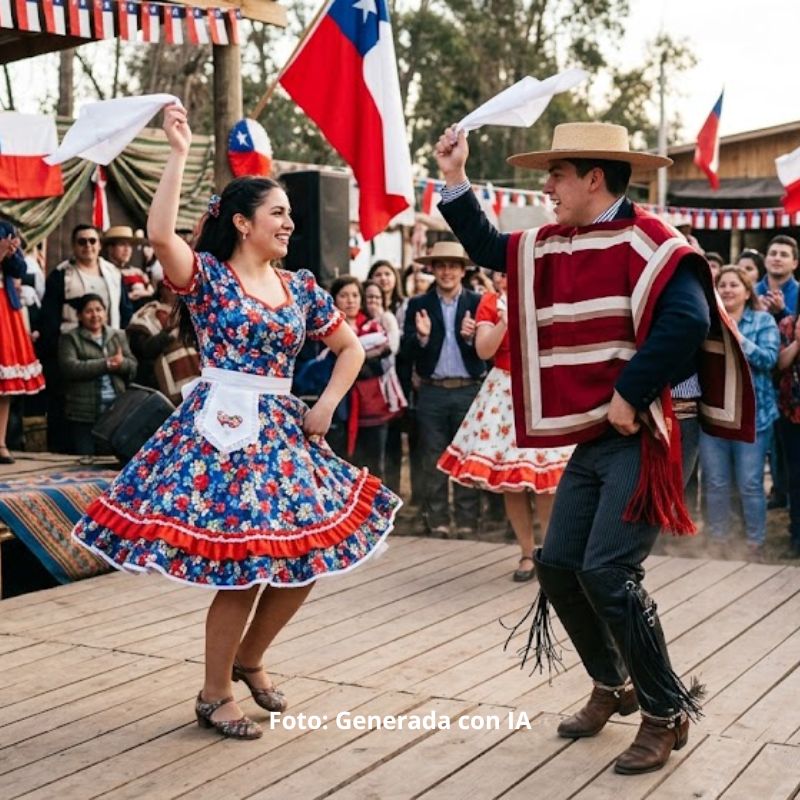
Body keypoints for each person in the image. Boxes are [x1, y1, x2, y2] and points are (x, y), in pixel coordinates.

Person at [434, 121, 754, 774]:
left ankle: (666, 712)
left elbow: (689, 322)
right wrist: (455, 177)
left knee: (608, 571)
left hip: (654, 429)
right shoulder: (561, 241)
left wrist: (631, 394)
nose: (545, 186)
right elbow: (494, 247)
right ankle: (614, 683)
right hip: (602, 434)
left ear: (593, 179)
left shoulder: (653, 240)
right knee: (558, 564)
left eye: (555, 174)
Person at [72, 104, 400, 741]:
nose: (290, 222)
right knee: (244, 566)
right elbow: (162, 233)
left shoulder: (300, 286)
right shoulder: (212, 279)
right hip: (221, 431)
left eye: (288, 213)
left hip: (280, 430)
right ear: (244, 223)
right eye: (277, 212)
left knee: (304, 560)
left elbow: (353, 349)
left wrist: (327, 403)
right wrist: (175, 152)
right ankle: (215, 690)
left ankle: (250, 657)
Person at [437, 271, 573, 580]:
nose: (506, 276)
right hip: (504, 394)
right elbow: (484, 350)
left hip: (543, 390)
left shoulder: (548, 296)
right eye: (502, 271)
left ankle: (551, 554)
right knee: (512, 483)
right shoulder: (491, 302)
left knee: (546, 482)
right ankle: (527, 553)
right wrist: (505, 319)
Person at [400, 240, 487, 538]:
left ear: (463, 271)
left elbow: (488, 351)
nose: (447, 271)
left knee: (466, 457)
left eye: (453, 265)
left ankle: (467, 521)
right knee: (432, 458)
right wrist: (421, 338)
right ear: (433, 269)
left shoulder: (477, 303)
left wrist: (471, 338)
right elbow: (406, 351)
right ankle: (436, 520)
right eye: (441, 265)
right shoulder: (418, 305)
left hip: (468, 389)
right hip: (432, 391)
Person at [699, 267, 778, 559]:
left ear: (747, 291)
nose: (728, 289)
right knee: (716, 483)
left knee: (750, 484)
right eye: (722, 285)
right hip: (714, 416)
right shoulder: (706, 321)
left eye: (735, 285)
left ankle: (755, 543)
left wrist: (736, 336)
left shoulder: (763, 321)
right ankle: (719, 541)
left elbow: (769, 360)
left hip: (753, 418)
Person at [39, 223, 133, 452]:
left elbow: (124, 309)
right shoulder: (62, 274)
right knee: (71, 412)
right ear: (73, 245)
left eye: (92, 241)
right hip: (72, 346)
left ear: (99, 244)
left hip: (108, 342)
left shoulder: (112, 272)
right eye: (82, 241)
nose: (88, 246)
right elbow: (49, 317)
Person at [58, 293, 137, 455]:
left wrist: (121, 364)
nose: (95, 315)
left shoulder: (118, 335)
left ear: (105, 313)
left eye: (99, 310)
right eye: (89, 311)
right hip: (83, 413)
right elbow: (70, 368)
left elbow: (133, 366)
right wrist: (106, 364)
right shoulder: (70, 338)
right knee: (86, 461)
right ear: (79, 315)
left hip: (116, 410)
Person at [0, 222, 45, 463]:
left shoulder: (5, 227)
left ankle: (0, 442)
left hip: (5, 307)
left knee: (5, 384)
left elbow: (17, 270)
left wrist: (13, 251)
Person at [126, 282, 200, 404]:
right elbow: (144, 349)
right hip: (159, 384)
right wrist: (167, 333)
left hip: (195, 376)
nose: (175, 292)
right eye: (170, 288)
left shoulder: (190, 311)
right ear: (162, 291)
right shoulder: (148, 314)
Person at [777, 309, 800, 558]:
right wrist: (797, 341)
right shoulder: (787, 324)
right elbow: (780, 364)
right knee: (796, 478)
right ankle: (797, 535)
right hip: (793, 415)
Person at [104, 225, 155, 310]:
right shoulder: (104, 272)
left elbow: (152, 293)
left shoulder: (138, 272)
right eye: (122, 244)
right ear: (110, 249)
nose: (127, 249)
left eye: (130, 245)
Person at [755, 235, 799, 322]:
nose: (777, 258)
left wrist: (782, 311)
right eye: (773, 254)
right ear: (765, 260)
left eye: (784, 255)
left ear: (795, 264)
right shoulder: (750, 292)